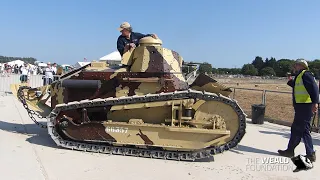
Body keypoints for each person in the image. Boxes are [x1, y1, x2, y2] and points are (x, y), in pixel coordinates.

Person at [278, 59, 319, 162]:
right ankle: (305, 153)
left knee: (299, 129)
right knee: (300, 129)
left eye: (295, 65)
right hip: (301, 107)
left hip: (305, 107)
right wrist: (290, 80)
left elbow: (314, 89)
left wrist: (315, 103)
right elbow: (297, 87)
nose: (294, 67)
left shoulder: (306, 74)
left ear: (300, 65)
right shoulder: (300, 76)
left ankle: (297, 152)